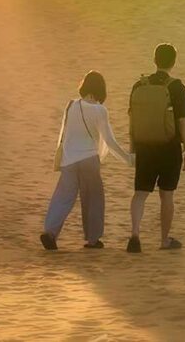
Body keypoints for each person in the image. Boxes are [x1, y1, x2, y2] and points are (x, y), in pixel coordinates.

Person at [41, 71, 133, 251]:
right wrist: (128, 159)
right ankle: (93, 239)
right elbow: (109, 141)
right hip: (89, 159)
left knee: (62, 198)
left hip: (69, 160)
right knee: (93, 199)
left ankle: (50, 232)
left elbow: (64, 135)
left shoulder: (71, 106)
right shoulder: (100, 110)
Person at [127, 43, 185, 253]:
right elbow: (182, 121)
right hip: (169, 147)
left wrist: (133, 147)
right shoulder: (177, 87)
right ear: (173, 62)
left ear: (154, 60)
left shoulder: (139, 85)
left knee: (140, 193)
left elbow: (132, 119)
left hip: (144, 146)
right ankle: (164, 240)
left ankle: (135, 234)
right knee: (167, 195)